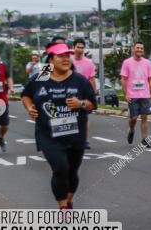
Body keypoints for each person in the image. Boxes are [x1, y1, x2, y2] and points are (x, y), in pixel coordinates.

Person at [21, 43, 97, 209]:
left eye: (67, 55)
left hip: (75, 135)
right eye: (60, 56)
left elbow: (93, 103)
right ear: (51, 60)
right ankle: (63, 207)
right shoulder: (42, 76)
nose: (65, 59)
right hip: (49, 135)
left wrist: (80, 103)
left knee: (72, 172)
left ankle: (68, 201)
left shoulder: (79, 80)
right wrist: (29, 108)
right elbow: (26, 95)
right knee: (60, 168)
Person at [120, 41, 151, 146]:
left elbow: (150, 79)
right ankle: (131, 130)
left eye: (141, 48)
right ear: (134, 49)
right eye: (138, 48)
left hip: (144, 94)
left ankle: (144, 139)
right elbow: (123, 79)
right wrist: (126, 94)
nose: (139, 50)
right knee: (133, 118)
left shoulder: (147, 63)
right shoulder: (127, 62)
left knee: (144, 117)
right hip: (132, 95)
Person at [72, 38, 97, 149]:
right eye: (78, 47)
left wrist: (94, 94)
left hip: (84, 95)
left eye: (82, 47)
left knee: (84, 117)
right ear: (74, 48)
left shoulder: (89, 62)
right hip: (70, 93)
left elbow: (92, 79)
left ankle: (85, 140)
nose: (80, 49)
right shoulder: (68, 60)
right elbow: (43, 76)